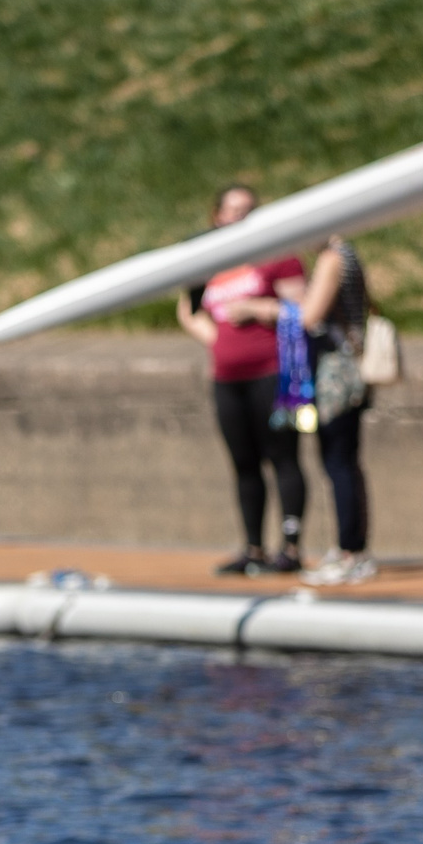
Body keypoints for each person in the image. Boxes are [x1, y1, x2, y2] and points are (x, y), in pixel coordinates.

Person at [177, 184, 308, 575]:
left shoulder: (277, 256)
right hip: (227, 377)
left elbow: (303, 309)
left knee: (283, 456)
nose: (240, 217)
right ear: (217, 216)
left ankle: (291, 548)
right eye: (233, 210)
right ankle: (253, 548)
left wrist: (257, 308)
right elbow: (189, 310)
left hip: (274, 373)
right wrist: (216, 340)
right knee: (243, 462)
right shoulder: (208, 262)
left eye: (248, 209)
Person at [293, 235, 375, 586]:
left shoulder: (332, 259)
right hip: (349, 369)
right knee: (346, 462)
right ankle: (350, 548)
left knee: (338, 461)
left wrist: (274, 306)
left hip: (336, 374)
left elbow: (309, 316)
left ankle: (349, 552)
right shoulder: (348, 255)